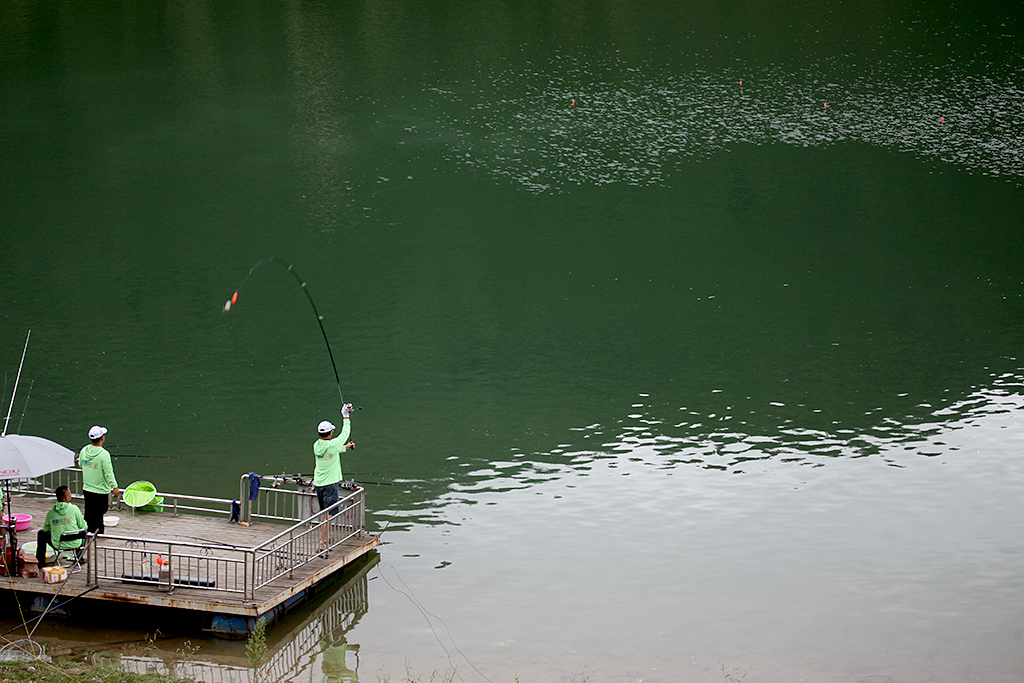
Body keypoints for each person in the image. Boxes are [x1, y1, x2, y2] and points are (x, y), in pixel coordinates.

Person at [312, 404, 355, 516]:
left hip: (318, 483)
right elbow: (344, 434)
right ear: (330, 432)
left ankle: (323, 534)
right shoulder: (333, 445)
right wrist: (346, 417)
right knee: (330, 513)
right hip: (330, 484)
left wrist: (347, 447)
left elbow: (334, 450)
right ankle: (325, 534)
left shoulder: (316, 445)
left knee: (324, 512)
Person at [79, 425, 119, 534]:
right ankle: (98, 533)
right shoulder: (104, 454)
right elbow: (108, 473)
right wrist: (115, 487)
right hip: (100, 490)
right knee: (100, 513)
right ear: (102, 438)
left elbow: (80, 464)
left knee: (89, 512)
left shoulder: (84, 450)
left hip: (87, 488)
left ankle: (88, 531)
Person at [37, 485, 87, 568]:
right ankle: (79, 557)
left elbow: (46, 529)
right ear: (66, 497)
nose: (71, 496)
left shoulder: (51, 512)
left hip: (57, 544)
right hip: (75, 543)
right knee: (85, 532)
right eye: (70, 494)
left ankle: (40, 562)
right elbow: (83, 526)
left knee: (41, 533)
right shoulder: (74, 509)